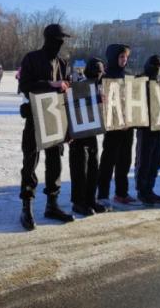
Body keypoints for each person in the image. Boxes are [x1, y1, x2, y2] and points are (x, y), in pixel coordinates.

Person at [18, 24, 75, 231]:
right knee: (30, 161)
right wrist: (50, 85)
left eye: (63, 40)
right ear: (48, 39)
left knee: (54, 162)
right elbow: (24, 86)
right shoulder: (31, 58)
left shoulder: (63, 62)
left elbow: (67, 92)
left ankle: (52, 203)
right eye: (58, 39)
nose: (60, 43)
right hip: (35, 117)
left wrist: (70, 127)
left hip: (56, 118)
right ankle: (27, 205)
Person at [97, 44, 138, 208]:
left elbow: (134, 99)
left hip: (128, 125)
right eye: (122, 57)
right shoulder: (105, 76)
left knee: (125, 160)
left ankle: (121, 193)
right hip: (113, 125)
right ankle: (102, 194)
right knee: (108, 160)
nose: (125, 60)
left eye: (126, 57)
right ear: (114, 57)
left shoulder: (128, 75)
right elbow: (102, 102)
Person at [68, 57, 108, 215]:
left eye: (101, 71)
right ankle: (78, 202)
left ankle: (90, 198)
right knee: (80, 169)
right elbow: (74, 105)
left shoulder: (100, 86)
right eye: (97, 71)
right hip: (79, 135)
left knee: (93, 167)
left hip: (92, 133)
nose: (99, 74)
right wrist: (94, 100)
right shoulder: (79, 85)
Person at [134, 55, 160, 206]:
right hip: (146, 128)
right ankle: (142, 192)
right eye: (155, 65)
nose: (158, 68)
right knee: (144, 161)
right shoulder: (140, 80)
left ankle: (150, 189)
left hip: (159, 127)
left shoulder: (159, 82)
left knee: (156, 161)